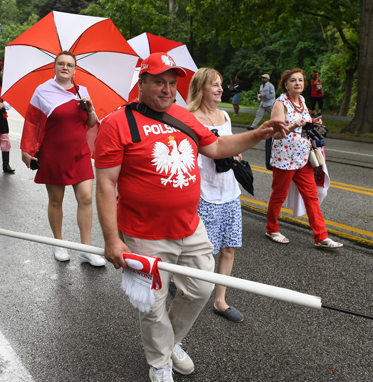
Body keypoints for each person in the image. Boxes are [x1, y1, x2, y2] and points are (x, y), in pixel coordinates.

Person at [95, 52, 288, 381]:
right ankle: (160, 363)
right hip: (144, 234)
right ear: (141, 83)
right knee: (153, 305)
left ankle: (170, 343)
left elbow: (216, 147)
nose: (167, 89)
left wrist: (259, 134)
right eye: (159, 82)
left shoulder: (184, 116)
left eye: (172, 83)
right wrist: (112, 240)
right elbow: (105, 183)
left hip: (190, 226)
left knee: (200, 289)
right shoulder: (118, 123)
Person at [21, 51, 106, 267]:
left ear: (75, 69)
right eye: (61, 64)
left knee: (86, 198)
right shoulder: (42, 91)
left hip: (80, 153)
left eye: (69, 64)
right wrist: (27, 150)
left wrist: (90, 109)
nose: (65, 67)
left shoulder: (82, 92)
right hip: (54, 154)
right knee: (56, 200)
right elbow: (32, 122)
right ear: (55, 67)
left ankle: (85, 250)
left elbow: (90, 123)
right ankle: (58, 243)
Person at [187, 67, 244, 323]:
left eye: (221, 85)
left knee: (229, 247)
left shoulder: (224, 115)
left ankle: (220, 301)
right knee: (203, 251)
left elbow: (229, 144)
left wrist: (236, 152)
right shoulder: (188, 117)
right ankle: (190, 291)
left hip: (229, 190)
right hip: (204, 192)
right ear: (201, 89)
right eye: (215, 85)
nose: (221, 89)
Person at [266, 68, 343, 249]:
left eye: (300, 80)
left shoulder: (301, 101)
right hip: (284, 159)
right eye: (293, 80)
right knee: (278, 196)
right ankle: (271, 229)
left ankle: (321, 237)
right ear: (285, 84)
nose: (298, 83)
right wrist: (292, 125)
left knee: (311, 197)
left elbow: (304, 126)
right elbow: (275, 134)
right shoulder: (280, 103)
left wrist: (313, 123)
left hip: (302, 158)